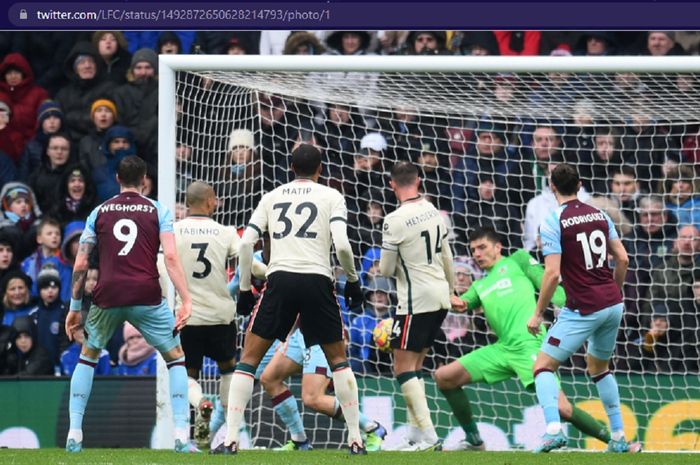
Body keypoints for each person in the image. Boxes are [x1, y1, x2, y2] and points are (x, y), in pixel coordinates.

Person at [213, 144, 366, 455]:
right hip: (318, 280)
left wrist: (244, 288)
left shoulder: (272, 196)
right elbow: (344, 246)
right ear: (320, 169)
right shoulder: (332, 197)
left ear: (291, 169)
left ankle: (230, 441)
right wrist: (352, 281)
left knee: (248, 361)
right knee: (339, 360)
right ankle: (355, 439)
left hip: (280, 279)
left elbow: (245, 245)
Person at [437, 227, 619, 451]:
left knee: (562, 408)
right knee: (444, 377)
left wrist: (576, 307)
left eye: (482, 247)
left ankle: (616, 442)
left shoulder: (519, 261)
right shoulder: (479, 285)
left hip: (530, 345)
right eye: (473, 249)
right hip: (502, 349)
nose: (476, 253)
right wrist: (450, 299)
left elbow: (549, 284)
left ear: (498, 246)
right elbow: (463, 304)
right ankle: (474, 440)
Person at [63, 155, 196, 453]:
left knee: (89, 355)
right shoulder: (157, 210)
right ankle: (179, 435)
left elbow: (82, 261)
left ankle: (74, 433)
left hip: (108, 294)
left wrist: (74, 307)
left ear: (118, 179)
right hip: (146, 293)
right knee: (175, 357)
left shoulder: (99, 211)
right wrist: (185, 299)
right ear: (145, 180)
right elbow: (171, 257)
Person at [527, 163, 637, 453]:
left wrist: (538, 313)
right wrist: (615, 291)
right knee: (599, 368)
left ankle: (553, 430)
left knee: (543, 367)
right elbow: (623, 259)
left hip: (583, 307)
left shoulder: (553, 221)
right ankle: (618, 437)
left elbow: (551, 274)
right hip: (612, 304)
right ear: (580, 184)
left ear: (552, 187)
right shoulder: (600, 214)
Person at [173, 181, 266, 449]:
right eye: (215, 199)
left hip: (188, 316)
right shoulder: (225, 232)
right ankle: (229, 430)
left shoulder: (174, 231)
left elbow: (162, 264)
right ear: (210, 201)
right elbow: (250, 262)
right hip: (221, 316)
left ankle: (200, 403)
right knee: (228, 369)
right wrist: (270, 272)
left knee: (189, 374)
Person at [378, 161, 453, 451]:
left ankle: (432, 438)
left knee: (402, 368)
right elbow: (447, 255)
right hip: (439, 298)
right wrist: (453, 290)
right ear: (419, 180)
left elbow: (385, 270)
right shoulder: (434, 211)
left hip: (414, 301)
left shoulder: (393, 219)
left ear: (391, 184)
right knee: (416, 365)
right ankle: (414, 437)